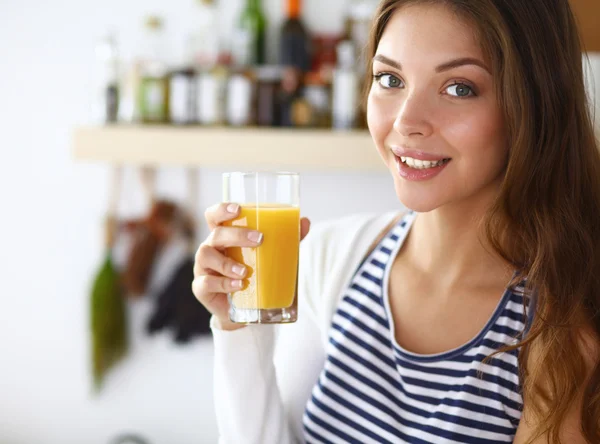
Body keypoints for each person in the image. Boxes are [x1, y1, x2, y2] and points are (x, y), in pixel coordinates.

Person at [192, 0, 600, 442]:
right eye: (391, 79)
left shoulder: (559, 326)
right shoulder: (333, 258)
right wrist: (237, 328)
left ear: (534, 103)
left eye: (459, 88)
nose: (406, 122)